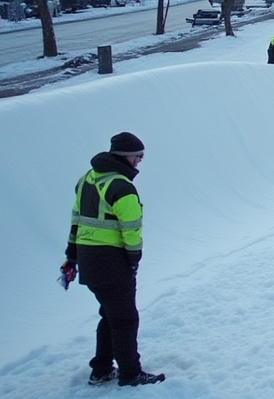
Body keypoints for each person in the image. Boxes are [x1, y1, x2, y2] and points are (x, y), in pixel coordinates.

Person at [61, 132, 165, 387]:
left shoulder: (87, 179)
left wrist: (71, 256)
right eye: (138, 156)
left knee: (110, 316)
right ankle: (130, 374)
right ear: (125, 156)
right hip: (112, 261)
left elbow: (76, 220)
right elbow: (131, 228)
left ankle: (102, 369)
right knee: (125, 319)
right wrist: (134, 258)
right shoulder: (122, 187)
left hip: (88, 259)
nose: (140, 160)